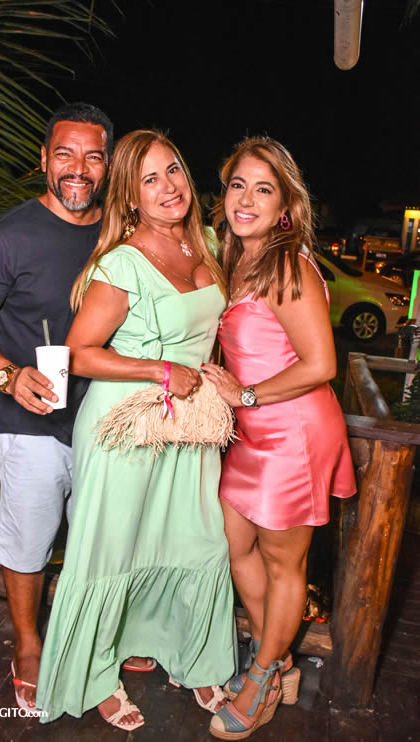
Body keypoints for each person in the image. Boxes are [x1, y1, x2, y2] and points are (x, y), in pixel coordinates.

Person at [36, 130, 237, 729]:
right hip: (126, 428)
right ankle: (95, 677)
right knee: (112, 551)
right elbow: (78, 352)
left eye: (173, 170)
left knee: (197, 543)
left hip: (191, 426)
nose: (168, 187)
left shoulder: (205, 243)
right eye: (150, 179)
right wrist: (158, 369)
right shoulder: (121, 264)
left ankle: (194, 659)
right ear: (129, 197)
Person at [0, 102, 113, 714]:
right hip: (32, 420)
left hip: (107, 422)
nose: (78, 169)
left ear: (107, 165)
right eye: (65, 154)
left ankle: (103, 638)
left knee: (103, 541)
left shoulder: (120, 233)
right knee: (28, 543)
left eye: (92, 156)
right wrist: (6, 375)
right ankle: (27, 644)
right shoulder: (7, 236)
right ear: (44, 159)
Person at [202, 136, 356, 740]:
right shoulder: (235, 258)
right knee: (234, 545)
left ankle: (261, 678)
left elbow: (321, 364)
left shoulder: (287, 264)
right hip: (250, 431)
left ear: (285, 206)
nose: (246, 199)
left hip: (293, 431)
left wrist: (243, 395)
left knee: (283, 563)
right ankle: (281, 660)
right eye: (238, 185)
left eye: (263, 189)